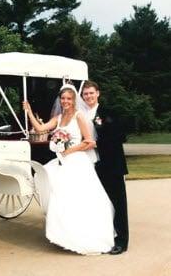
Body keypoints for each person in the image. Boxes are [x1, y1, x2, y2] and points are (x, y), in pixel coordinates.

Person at [23, 84, 114, 255]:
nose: (65, 101)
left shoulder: (79, 116)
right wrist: (29, 112)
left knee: (78, 199)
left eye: (68, 99)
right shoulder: (58, 118)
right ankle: (65, 235)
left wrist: (68, 151)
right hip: (63, 161)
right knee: (60, 196)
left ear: (73, 101)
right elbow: (41, 129)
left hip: (77, 161)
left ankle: (83, 236)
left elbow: (90, 141)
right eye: (63, 98)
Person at [82, 80, 129, 255]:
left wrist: (97, 144)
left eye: (91, 93)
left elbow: (121, 136)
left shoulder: (109, 112)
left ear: (98, 93)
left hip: (112, 164)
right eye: (85, 94)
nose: (88, 96)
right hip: (93, 164)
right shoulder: (83, 114)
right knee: (101, 202)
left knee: (118, 203)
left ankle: (122, 241)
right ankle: (105, 236)